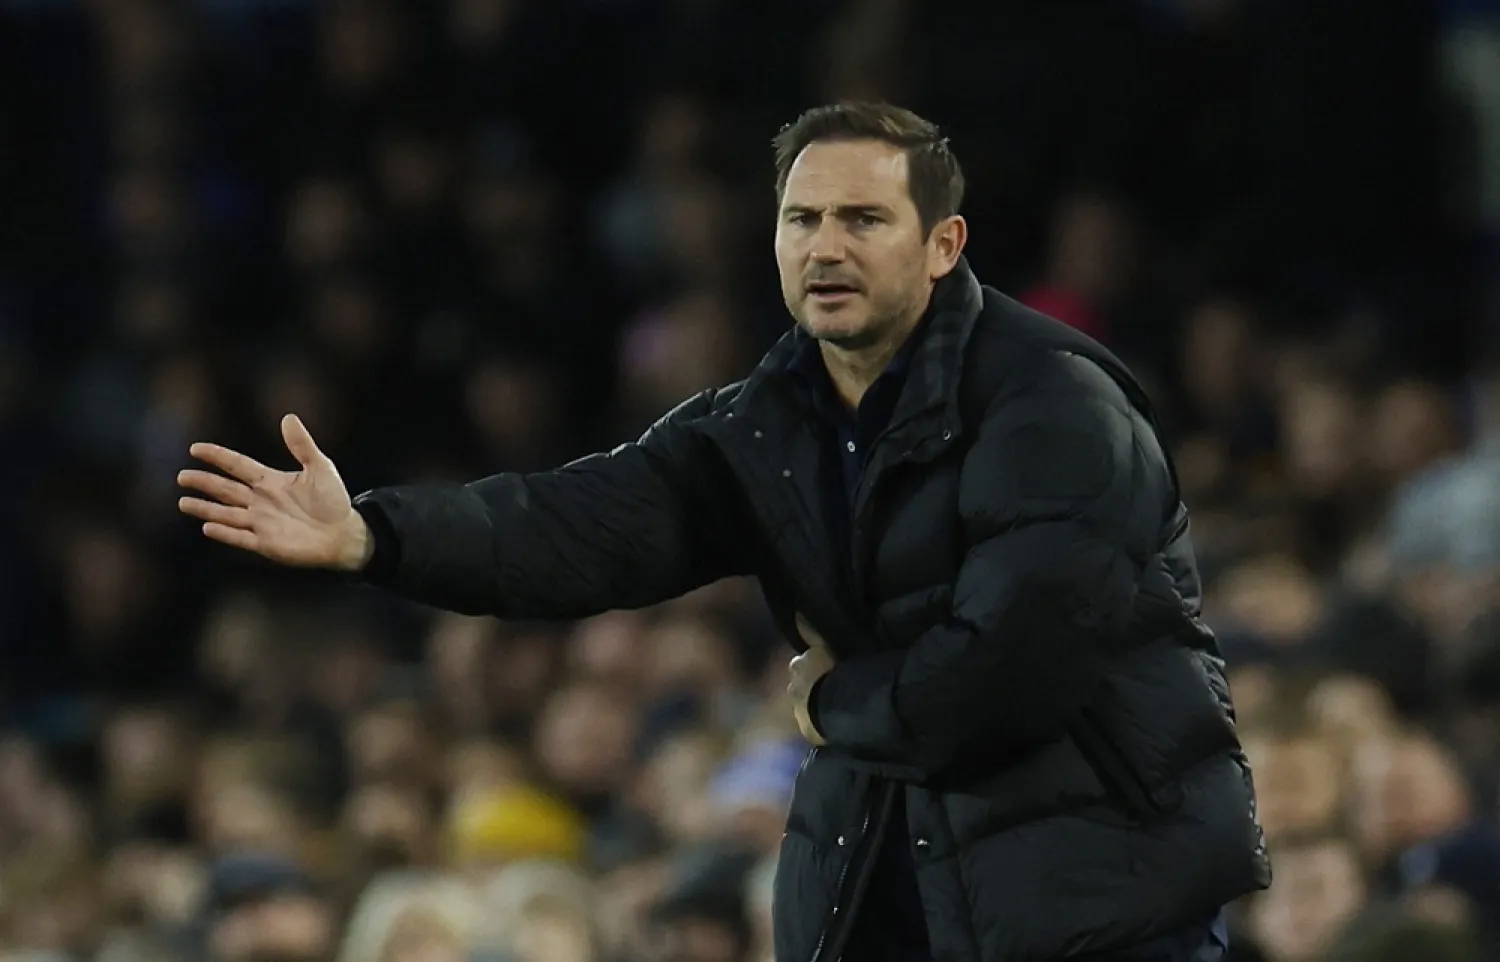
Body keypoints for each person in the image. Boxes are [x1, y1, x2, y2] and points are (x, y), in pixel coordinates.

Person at [178, 102, 1271, 962]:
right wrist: (374, 532)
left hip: (1099, 902)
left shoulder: (1054, 404)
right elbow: (580, 523)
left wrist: (830, 699)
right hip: (885, 889)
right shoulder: (769, 420)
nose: (826, 246)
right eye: (803, 220)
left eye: (863, 218)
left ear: (944, 244)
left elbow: (1017, 663)